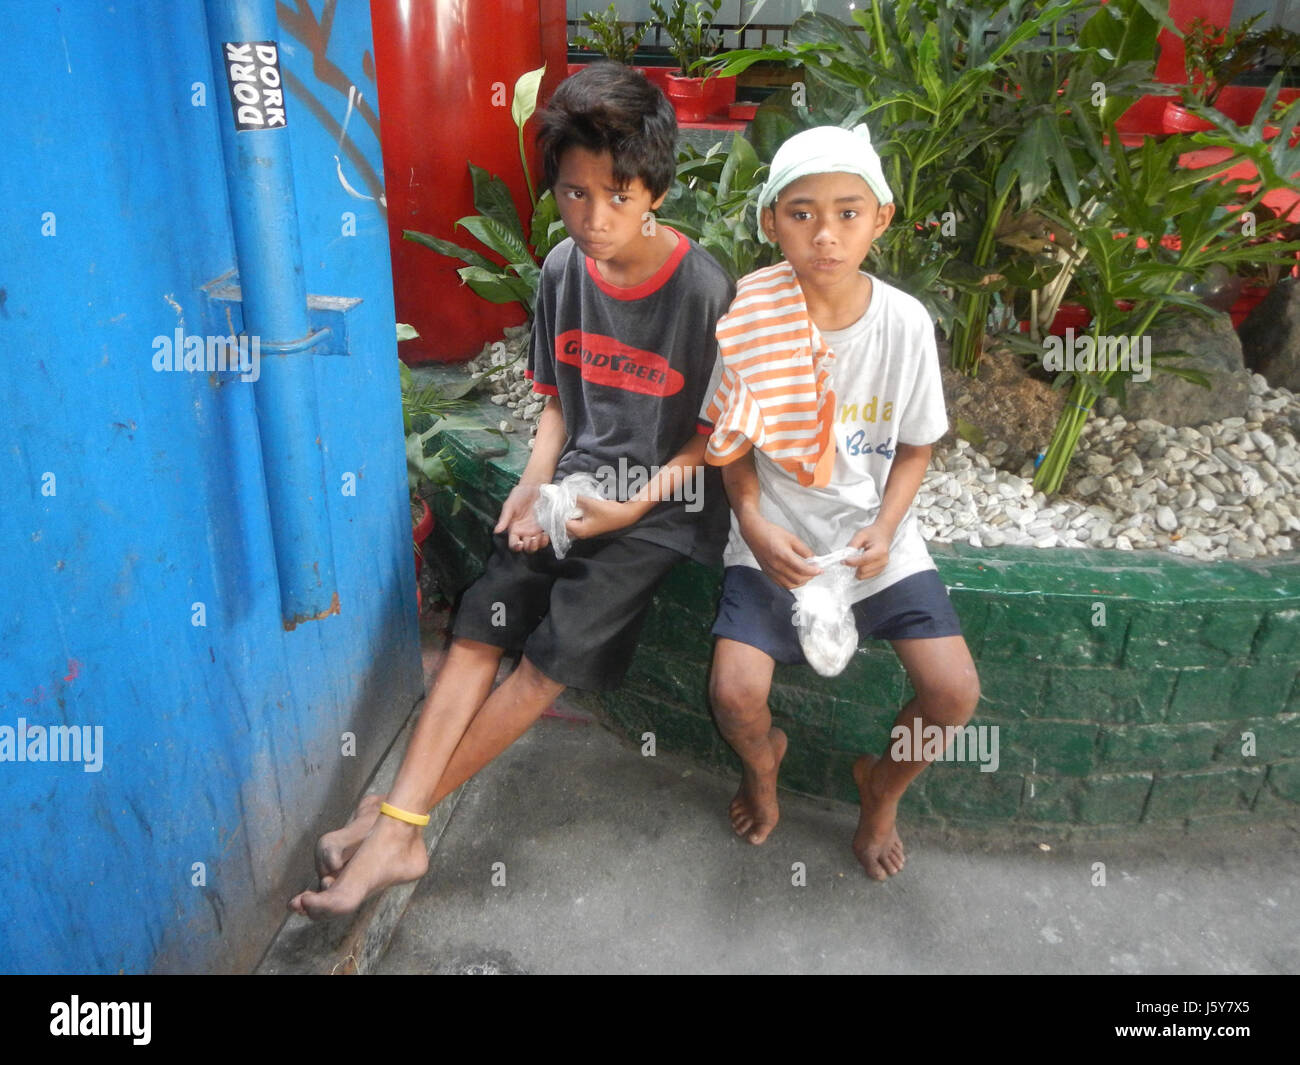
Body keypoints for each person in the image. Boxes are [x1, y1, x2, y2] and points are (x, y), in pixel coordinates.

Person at [290, 63, 733, 918]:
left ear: (656, 189)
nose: (594, 219)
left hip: (654, 514)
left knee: (541, 664)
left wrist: (632, 505)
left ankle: (391, 827)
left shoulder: (701, 291)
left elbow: (712, 439)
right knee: (475, 630)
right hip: (568, 492)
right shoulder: (565, 270)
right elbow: (558, 403)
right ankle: (399, 833)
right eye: (573, 195)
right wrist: (534, 484)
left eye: (619, 195)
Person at [703, 124, 980, 881]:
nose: (825, 234)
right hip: (775, 537)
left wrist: (888, 528)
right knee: (733, 693)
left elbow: (917, 445)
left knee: (953, 693)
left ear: (881, 219)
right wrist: (754, 525)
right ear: (770, 222)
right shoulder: (752, 319)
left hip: (872, 542)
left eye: (848, 212)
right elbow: (729, 445)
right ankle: (763, 769)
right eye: (801, 213)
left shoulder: (905, 324)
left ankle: (880, 789)